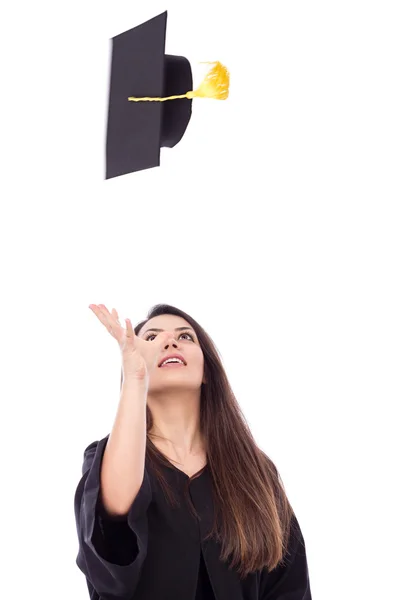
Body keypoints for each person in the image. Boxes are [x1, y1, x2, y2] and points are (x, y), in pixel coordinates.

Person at [74, 303, 312, 600]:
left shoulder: (255, 472)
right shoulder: (108, 458)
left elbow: (288, 585)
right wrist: (135, 377)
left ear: (206, 372)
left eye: (185, 337)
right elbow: (113, 525)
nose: (169, 341)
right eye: (151, 338)